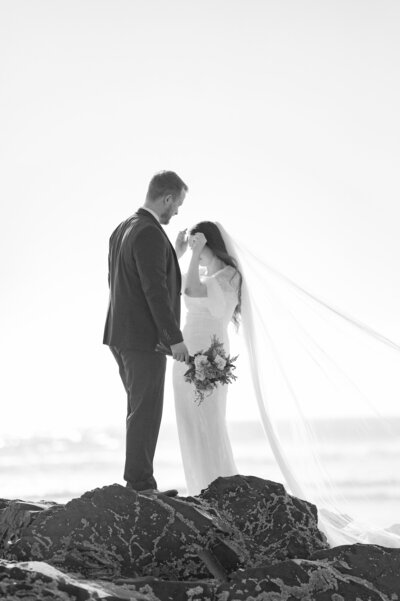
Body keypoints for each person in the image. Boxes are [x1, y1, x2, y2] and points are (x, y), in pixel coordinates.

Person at [103, 170, 190, 496]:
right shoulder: (150, 233)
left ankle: (139, 482)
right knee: (146, 410)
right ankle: (140, 486)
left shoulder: (123, 229)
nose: (177, 211)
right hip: (144, 338)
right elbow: (154, 289)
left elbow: (129, 279)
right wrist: (173, 337)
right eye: (177, 203)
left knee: (139, 409)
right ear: (166, 198)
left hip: (121, 335)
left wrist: (175, 256)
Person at [173, 221, 242, 495]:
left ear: (211, 244)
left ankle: (221, 489)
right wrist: (177, 254)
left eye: (200, 247)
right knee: (188, 423)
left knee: (209, 421)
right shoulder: (201, 273)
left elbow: (191, 290)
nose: (196, 253)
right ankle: (199, 489)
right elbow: (175, 284)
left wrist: (193, 253)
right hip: (186, 351)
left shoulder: (230, 276)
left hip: (210, 351)